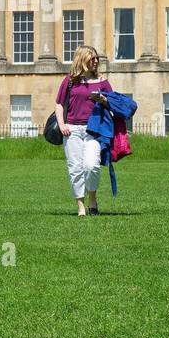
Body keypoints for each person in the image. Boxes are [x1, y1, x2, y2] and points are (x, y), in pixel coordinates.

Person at [54, 44, 112, 217]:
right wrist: (62, 124)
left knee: (91, 166)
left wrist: (103, 100)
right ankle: (81, 206)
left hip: (94, 129)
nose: (96, 61)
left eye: (97, 58)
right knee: (75, 169)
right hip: (72, 130)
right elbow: (59, 104)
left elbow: (113, 105)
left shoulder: (103, 82)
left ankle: (92, 198)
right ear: (82, 59)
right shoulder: (70, 80)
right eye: (92, 58)